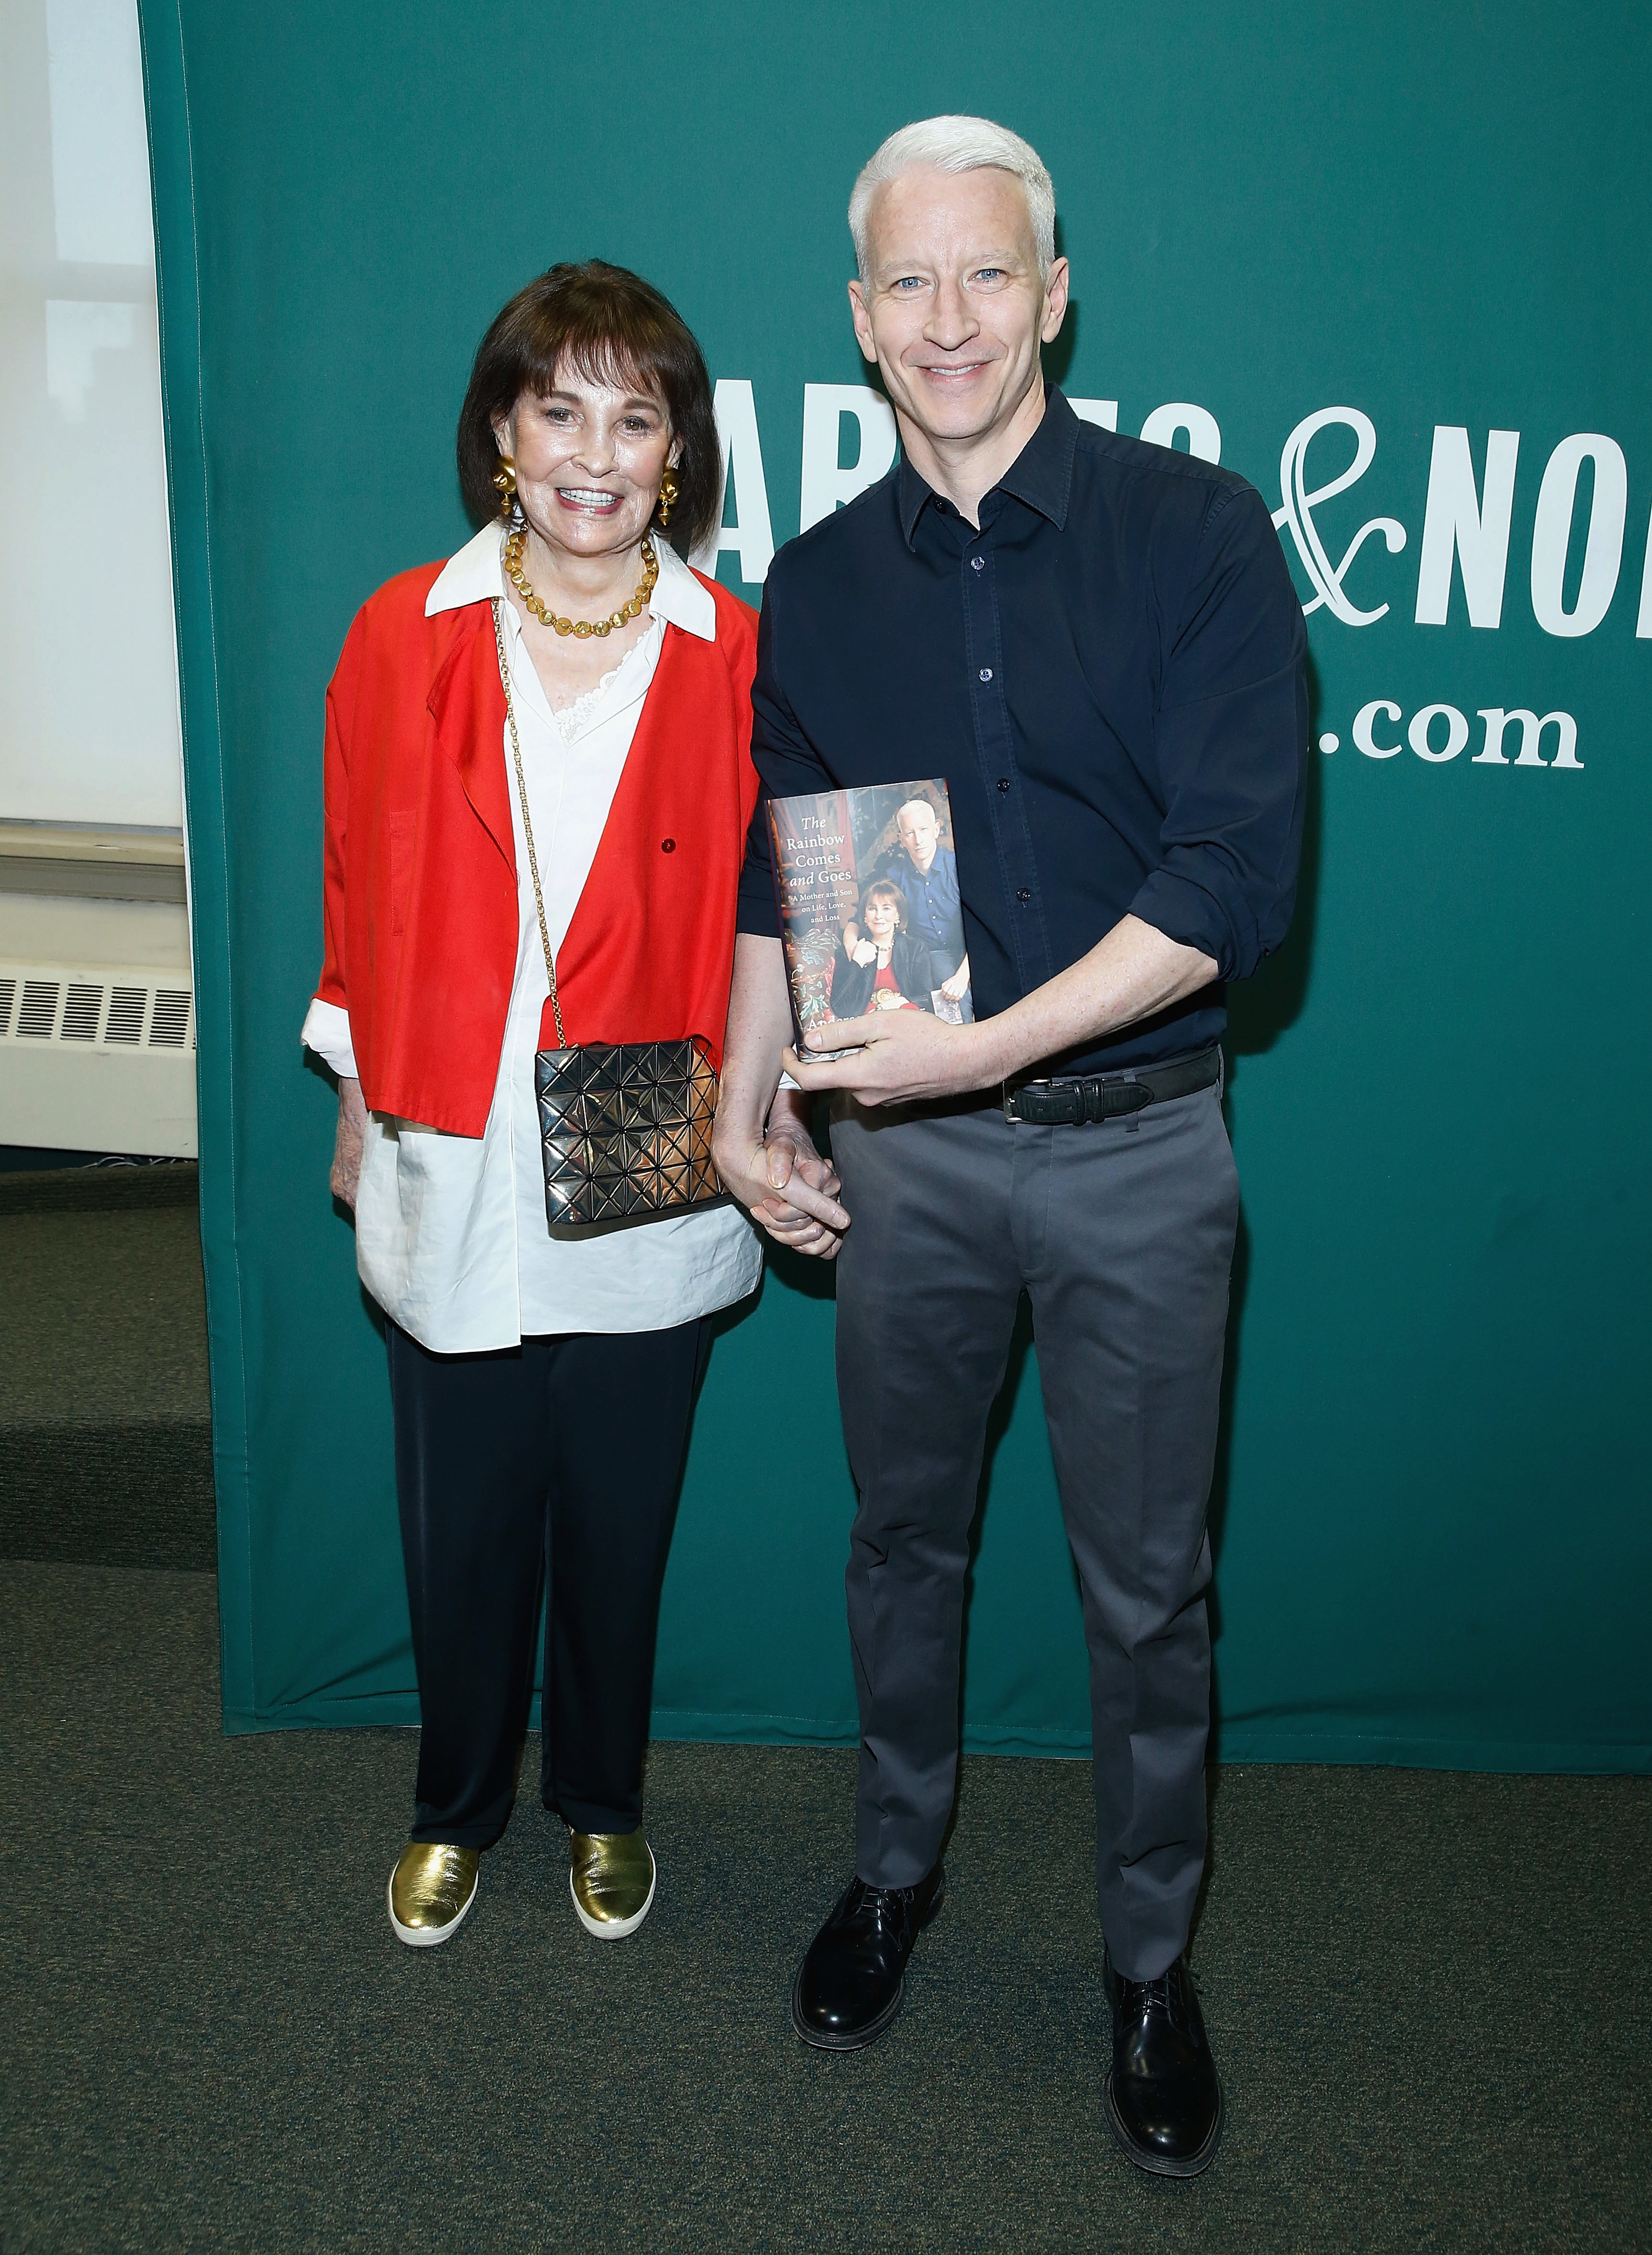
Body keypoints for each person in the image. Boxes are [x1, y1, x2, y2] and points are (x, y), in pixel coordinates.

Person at [713, 117, 1307, 2179]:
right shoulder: (816, 579)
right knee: (902, 1545)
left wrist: (983, 1047)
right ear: (857, 319)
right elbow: (799, 877)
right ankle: (895, 1872)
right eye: (906, 283)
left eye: (987, 276)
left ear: (1050, 297)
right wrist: (743, 1081)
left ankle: (1147, 1962)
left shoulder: (1198, 532)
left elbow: (1236, 877)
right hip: (916, 1181)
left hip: (1142, 1154)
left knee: (1147, 1597)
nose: (947, 318)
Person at [303, 261, 763, 1952]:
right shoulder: (399, 630)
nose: (593, 451)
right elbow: (357, 878)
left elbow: (777, 919)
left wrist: (777, 1108)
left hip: (651, 1132)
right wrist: (357, 1092)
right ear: (502, 431)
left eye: (633, 417)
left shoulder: (735, 656)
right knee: (463, 1521)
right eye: (557, 408)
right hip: (452, 1132)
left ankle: (605, 1797)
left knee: (619, 1521)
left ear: (675, 453)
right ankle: (456, 1801)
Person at [831, 880, 933, 1017]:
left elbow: (926, 999)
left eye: (886, 908)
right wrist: (857, 963)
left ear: (897, 914)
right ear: (865, 916)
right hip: (866, 1023)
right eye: (872, 909)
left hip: (906, 1017)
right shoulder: (849, 951)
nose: (879, 916)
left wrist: (898, 1004)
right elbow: (841, 1007)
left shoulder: (915, 949)